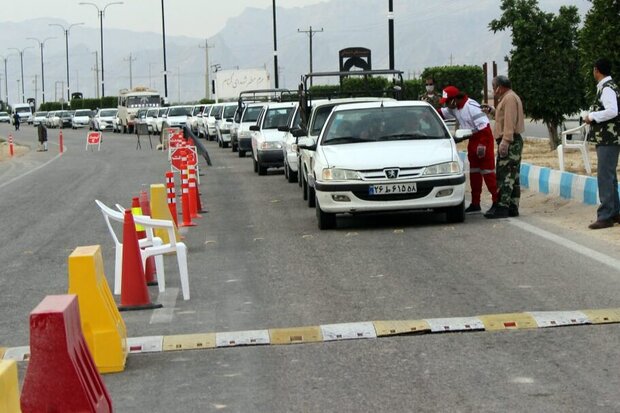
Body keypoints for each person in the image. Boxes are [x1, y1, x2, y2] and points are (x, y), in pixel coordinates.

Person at [437, 85, 498, 213]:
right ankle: (475, 203)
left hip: (483, 140)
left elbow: (485, 127)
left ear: (454, 99)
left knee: (488, 173)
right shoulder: (454, 107)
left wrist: (482, 145)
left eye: (447, 102)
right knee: (474, 173)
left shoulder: (471, 107)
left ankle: (496, 202)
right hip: (472, 140)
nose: (446, 105)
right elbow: (441, 113)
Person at [582, 58, 620, 229]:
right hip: (608, 138)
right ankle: (614, 212)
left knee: (605, 176)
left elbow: (612, 110)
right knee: (610, 177)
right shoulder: (608, 87)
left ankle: (605, 216)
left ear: (596, 70)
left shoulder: (607, 89)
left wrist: (592, 116)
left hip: (608, 139)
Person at [483, 75, 524, 219]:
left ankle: (503, 207)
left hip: (510, 141)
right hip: (511, 140)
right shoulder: (507, 98)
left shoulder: (509, 99)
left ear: (500, 87)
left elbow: (509, 121)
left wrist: (505, 141)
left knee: (504, 175)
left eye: (494, 87)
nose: (493, 90)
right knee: (513, 176)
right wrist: (492, 111)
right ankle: (512, 206)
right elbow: (503, 116)